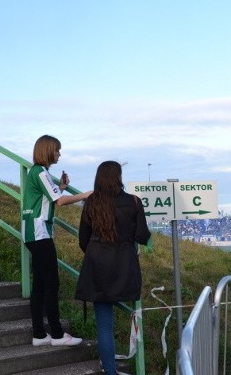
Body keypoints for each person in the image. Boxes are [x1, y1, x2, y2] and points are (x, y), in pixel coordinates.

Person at [75, 160, 151, 375]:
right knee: (131, 311)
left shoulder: (91, 202)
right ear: (118, 177)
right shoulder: (134, 202)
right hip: (124, 264)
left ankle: (110, 370)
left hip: (97, 264)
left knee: (104, 324)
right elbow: (141, 236)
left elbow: (83, 239)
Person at [23, 135, 92, 347]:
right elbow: (59, 202)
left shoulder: (36, 173)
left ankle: (39, 334)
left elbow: (51, 196)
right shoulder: (41, 172)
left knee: (40, 285)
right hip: (39, 232)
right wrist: (84, 195)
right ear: (47, 151)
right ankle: (58, 335)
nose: (59, 154)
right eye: (57, 150)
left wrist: (61, 186)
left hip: (32, 232)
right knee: (52, 283)